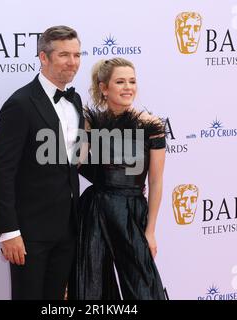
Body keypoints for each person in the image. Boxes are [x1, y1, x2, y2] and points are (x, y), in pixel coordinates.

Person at [0, 25, 84, 300]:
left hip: (67, 227)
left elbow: (71, 160)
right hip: (29, 232)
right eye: (64, 55)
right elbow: (3, 172)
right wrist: (9, 231)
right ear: (44, 58)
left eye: (77, 55)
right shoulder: (20, 104)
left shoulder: (75, 100)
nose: (73, 62)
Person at [69, 58, 166, 300]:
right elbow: (78, 162)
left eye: (132, 81)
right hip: (96, 210)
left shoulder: (151, 125)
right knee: (92, 283)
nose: (128, 87)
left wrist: (151, 230)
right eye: (120, 81)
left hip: (131, 211)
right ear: (104, 88)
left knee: (142, 285)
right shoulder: (92, 123)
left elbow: (155, 182)